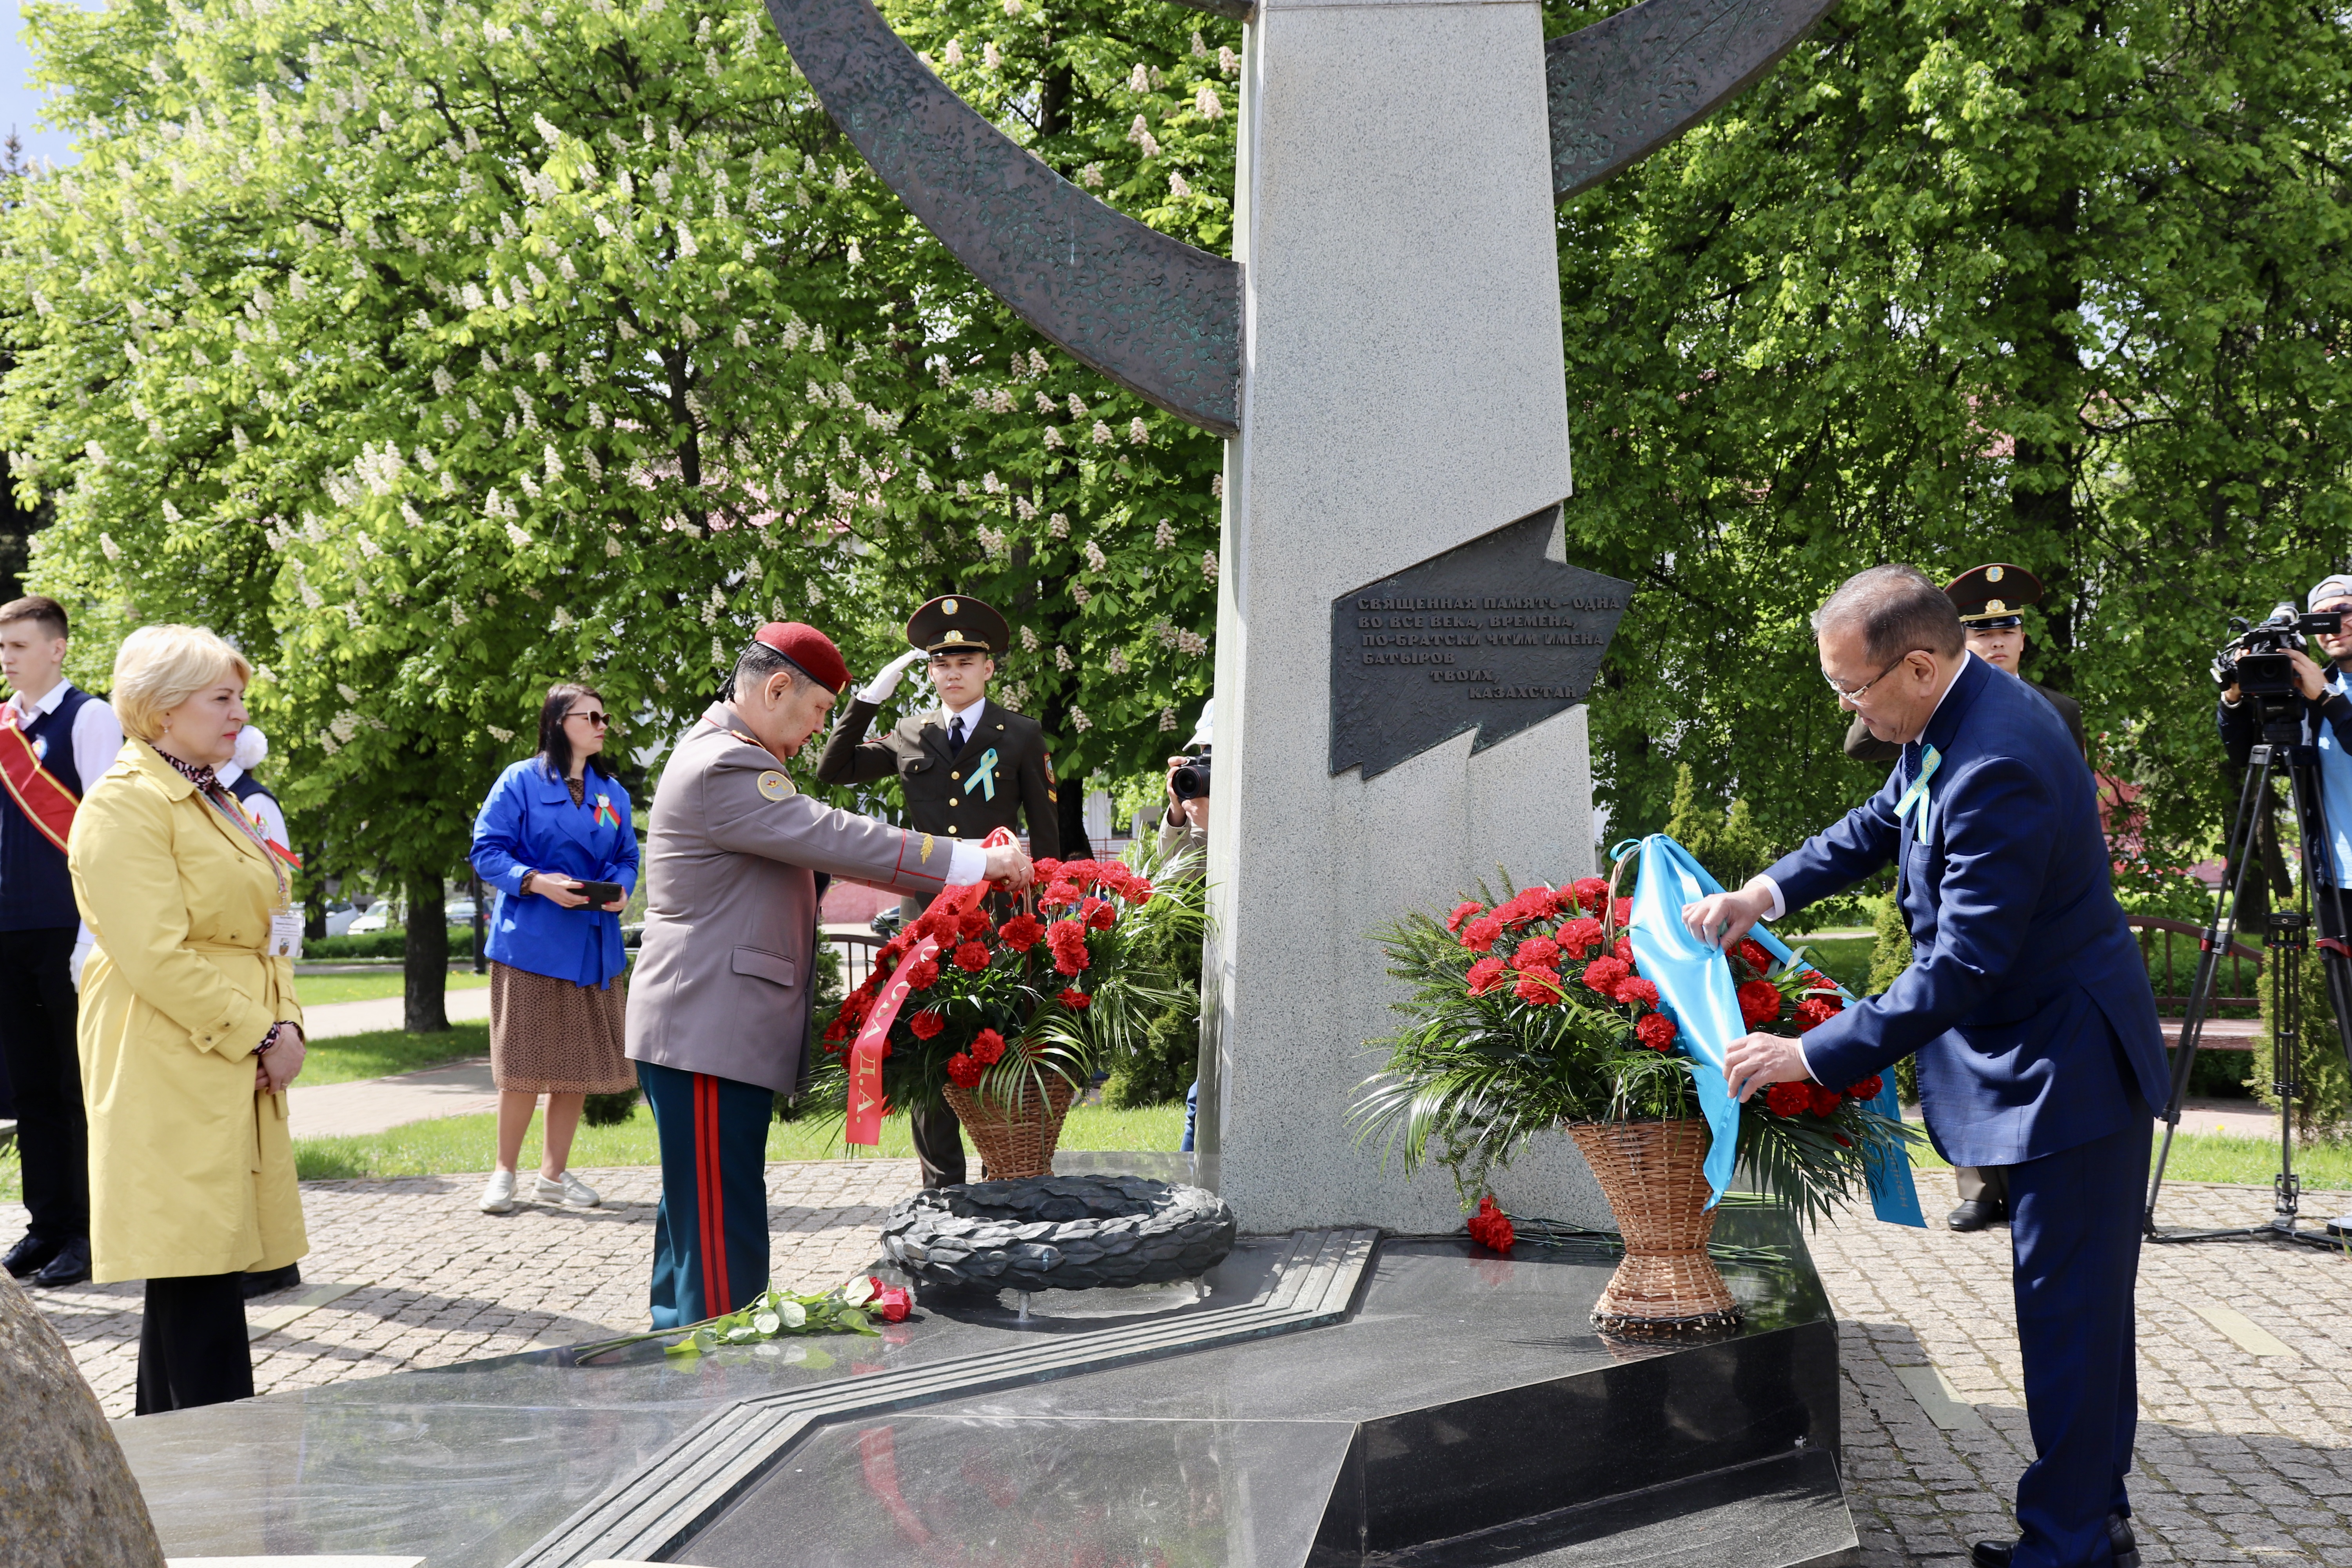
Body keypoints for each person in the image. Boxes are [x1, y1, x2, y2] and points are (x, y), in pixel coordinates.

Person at [1685, 565, 2166, 1568]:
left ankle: (2072, 1543)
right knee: (2075, 1317)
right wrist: (1761, 893)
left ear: (1915, 663)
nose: (1849, 708)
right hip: (2041, 1055)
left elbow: (1964, 965)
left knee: (2069, 1321)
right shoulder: (1956, 711)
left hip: (2064, 1069)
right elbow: (1879, 824)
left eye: (1853, 689)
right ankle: (2092, 1519)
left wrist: (1806, 1051)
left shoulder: (2002, 755)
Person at [628, 622, 1033, 1326]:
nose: (820, 731)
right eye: (818, 711)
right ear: (776, 687)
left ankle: (680, 1362)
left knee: (700, 1224)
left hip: (708, 1028)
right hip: (707, 1028)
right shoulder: (727, 765)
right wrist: (971, 860)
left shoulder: (732, 756)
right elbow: (833, 836)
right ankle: (720, 1386)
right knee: (720, 1237)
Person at [70, 624, 309, 1413]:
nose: (240, 713)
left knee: (195, 1258)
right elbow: (155, 952)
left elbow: (271, 923)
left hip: (219, 1043)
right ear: (165, 710)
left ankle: (168, 1445)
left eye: (239, 696)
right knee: (195, 1260)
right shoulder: (124, 804)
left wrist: (290, 1022)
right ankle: (225, 1458)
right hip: (167, 1048)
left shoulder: (215, 795)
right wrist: (261, 1031)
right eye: (223, 698)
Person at [1847, 564, 2090, 1234]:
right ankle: (1981, 1183)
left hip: (2013, 921)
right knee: (1959, 1046)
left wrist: (1814, 1056)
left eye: (2008, 627)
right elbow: (1875, 789)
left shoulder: (2042, 717)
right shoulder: (1925, 715)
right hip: (1949, 915)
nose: (1998, 640)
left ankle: (2025, 1175)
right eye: (1981, 630)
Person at [813, 594, 1059, 1188]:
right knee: (930, 1043)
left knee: (999, 1042)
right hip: (926, 917)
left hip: (999, 920)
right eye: (940, 663)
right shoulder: (909, 734)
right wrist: (868, 701)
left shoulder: (1020, 735)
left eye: (966, 661)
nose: (952, 672)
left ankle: (1009, 1175)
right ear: (929, 671)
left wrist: (1049, 920)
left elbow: (1047, 844)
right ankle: (941, 1190)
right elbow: (833, 769)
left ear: (988, 668)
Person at [469, 684, 641, 1216]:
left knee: (574, 1066)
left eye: (604, 715)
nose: (601, 723)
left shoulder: (611, 792)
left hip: (593, 942)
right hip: (532, 943)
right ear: (557, 721)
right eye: (589, 715)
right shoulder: (520, 781)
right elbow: (487, 851)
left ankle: (552, 1174)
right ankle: (504, 1173)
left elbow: (626, 855)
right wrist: (537, 882)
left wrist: (622, 888)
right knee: (523, 1064)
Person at [0, 594, 123, 1290]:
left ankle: (88, 1232)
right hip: (9, 931)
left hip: (66, 932)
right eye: (2, 648)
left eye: (18, 646)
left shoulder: (90, 717)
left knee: (78, 1089)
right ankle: (46, 1225)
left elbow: (102, 835)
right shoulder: (4, 727)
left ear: (57, 648)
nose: (6, 659)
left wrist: (91, 936)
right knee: (32, 1090)